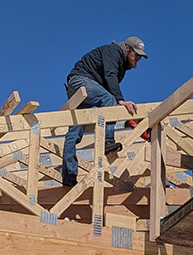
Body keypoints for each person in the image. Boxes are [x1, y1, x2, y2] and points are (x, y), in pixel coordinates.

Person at [60, 37, 147, 187]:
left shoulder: (121, 65)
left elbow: (107, 88)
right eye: (136, 54)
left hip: (81, 90)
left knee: (74, 133)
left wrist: (124, 119)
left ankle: (69, 176)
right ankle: (107, 142)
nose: (138, 58)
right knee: (109, 99)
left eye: (140, 56)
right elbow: (110, 77)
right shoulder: (114, 52)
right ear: (127, 48)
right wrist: (121, 101)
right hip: (80, 81)